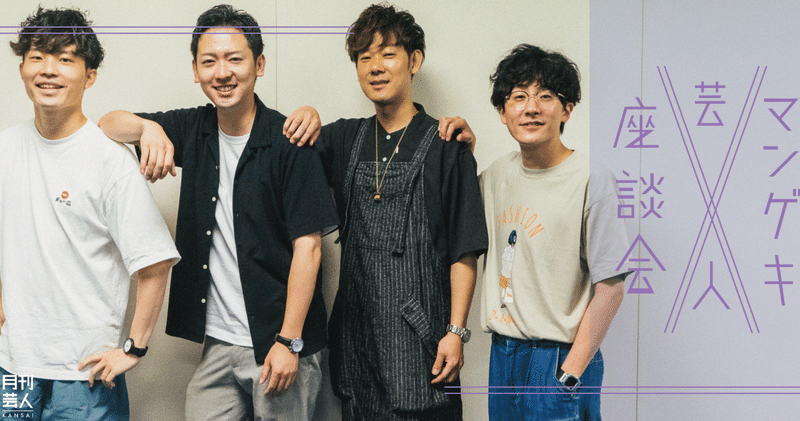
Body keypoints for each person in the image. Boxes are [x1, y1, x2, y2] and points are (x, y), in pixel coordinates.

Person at [98, 5, 338, 421]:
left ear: (259, 65)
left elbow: (310, 249)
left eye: (234, 59)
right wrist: (147, 129)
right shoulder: (195, 129)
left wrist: (289, 342)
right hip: (219, 344)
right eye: (209, 61)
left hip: (280, 341)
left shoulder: (289, 141)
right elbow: (106, 124)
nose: (222, 73)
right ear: (195, 70)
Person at [303, 4, 488, 420]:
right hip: (357, 338)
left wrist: (456, 332)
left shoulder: (447, 145)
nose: (375, 67)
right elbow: (284, 161)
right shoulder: (343, 138)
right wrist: (307, 117)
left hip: (422, 343)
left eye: (388, 54)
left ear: (414, 60)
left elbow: (465, 251)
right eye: (364, 57)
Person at [0, 7, 179, 420]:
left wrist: (133, 347)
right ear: (22, 68)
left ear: (90, 75)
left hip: (85, 375)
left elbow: (155, 263)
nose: (49, 70)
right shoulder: (6, 148)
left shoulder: (109, 160)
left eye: (65, 59)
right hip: (13, 368)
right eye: (37, 57)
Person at [480, 44, 631, 421]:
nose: (531, 108)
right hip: (503, 355)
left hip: (559, 358)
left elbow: (611, 288)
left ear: (567, 109)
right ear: (502, 112)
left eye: (546, 96)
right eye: (519, 96)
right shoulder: (495, 175)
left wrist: (569, 373)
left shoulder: (592, 180)